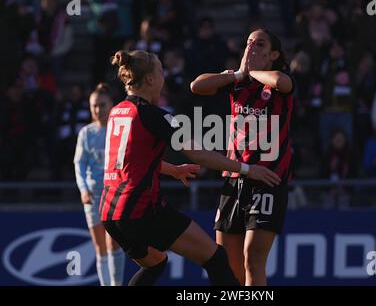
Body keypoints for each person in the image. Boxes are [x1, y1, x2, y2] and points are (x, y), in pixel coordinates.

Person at [102, 49, 281, 286]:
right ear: (150, 79)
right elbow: (199, 154)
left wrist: (172, 170)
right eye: (161, 71)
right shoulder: (154, 115)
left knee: (155, 263)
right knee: (216, 258)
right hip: (141, 210)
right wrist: (247, 169)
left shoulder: (117, 111)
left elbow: (128, 163)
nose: (164, 78)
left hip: (110, 213)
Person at [190, 29, 294, 285]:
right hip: (234, 178)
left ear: (274, 54)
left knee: (253, 259)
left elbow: (283, 82)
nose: (251, 48)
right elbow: (197, 86)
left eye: (260, 44)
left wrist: (250, 73)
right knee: (227, 266)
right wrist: (238, 74)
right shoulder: (236, 82)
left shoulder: (277, 83)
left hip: (268, 179)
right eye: (248, 43)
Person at [74, 83, 125, 285]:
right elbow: (79, 164)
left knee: (114, 242)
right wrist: (84, 189)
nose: (98, 109)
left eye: (102, 105)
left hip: (115, 194)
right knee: (99, 246)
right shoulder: (86, 133)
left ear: (111, 105)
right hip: (94, 195)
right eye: (94, 105)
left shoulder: (119, 129)